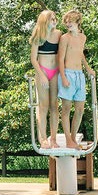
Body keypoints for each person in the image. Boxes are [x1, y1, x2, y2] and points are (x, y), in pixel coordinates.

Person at [57, 9, 95, 150]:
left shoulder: (82, 37)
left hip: (80, 75)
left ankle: (73, 138)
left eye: (70, 21)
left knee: (80, 109)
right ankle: (68, 140)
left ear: (77, 21)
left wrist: (88, 69)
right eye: (66, 21)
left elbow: (80, 54)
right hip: (67, 73)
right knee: (66, 109)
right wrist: (63, 77)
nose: (67, 24)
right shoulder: (64, 38)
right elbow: (60, 59)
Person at [29, 10, 62, 149]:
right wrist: (41, 75)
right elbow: (33, 59)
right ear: (44, 21)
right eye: (51, 19)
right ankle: (43, 139)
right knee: (43, 106)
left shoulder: (59, 34)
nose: (54, 21)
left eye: (55, 18)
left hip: (55, 73)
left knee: (54, 106)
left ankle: (53, 138)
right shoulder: (38, 35)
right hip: (42, 72)